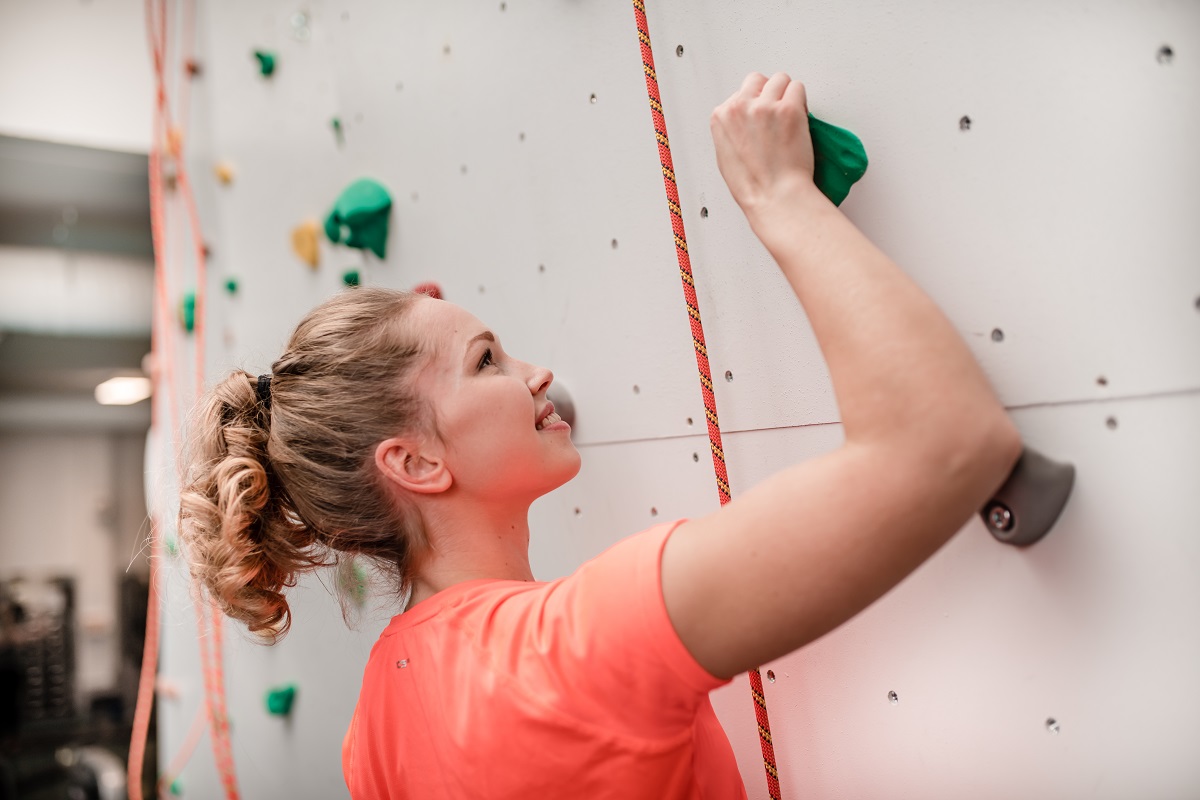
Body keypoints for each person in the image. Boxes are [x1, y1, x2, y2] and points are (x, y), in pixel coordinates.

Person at [179, 72, 1022, 799]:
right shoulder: (578, 642)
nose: (537, 374)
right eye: (486, 361)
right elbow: (946, 444)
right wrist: (779, 196)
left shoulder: (374, 724)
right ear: (415, 461)